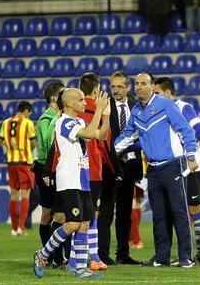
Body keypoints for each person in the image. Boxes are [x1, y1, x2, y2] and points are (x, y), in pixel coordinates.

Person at [114, 73, 199, 268]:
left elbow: (184, 129)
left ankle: (186, 256)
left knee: (179, 212)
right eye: (136, 84)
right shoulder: (136, 111)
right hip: (152, 169)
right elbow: (127, 137)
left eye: (143, 83)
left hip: (173, 164)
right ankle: (161, 257)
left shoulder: (165, 104)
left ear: (152, 86)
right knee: (159, 215)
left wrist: (191, 155)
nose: (139, 87)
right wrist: (108, 153)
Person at [33, 89, 111, 279]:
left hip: (82, 178)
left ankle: (78, 268)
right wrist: (99, 110)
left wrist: (106, 117)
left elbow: (100, 135)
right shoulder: (63, 122)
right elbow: (90, 134)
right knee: (72, 224)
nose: (85, 103)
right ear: (69, 104)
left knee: (84, 223)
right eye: (81, 99)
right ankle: (42, 255)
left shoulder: (80, 121)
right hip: (68, 179)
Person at [153, 77, 200, 264]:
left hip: (190, 166)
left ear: (168, 93)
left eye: (158, 93)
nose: (155, 97)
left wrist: (191, 155)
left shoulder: (182, 106)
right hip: (172, 166)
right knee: (174, 211)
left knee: (193, 208)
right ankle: (178, 254)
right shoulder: (158, 112)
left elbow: (199, 129)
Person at [99, 71, 143, 265]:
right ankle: (102, 253)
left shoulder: (136, 106)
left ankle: (123, 254)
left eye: (119, 87)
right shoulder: (106, 106)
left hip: (131, 165)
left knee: (125, 213)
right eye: (112, 86)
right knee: (107, 212)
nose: (115, 90)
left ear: (127, 87)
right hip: (110, 166)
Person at [77, 73, 109, 272]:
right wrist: (105, 114)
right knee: (92, 215)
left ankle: (72, 259)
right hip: (93, 168)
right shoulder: (96, 109)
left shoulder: (72, 111)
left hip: (74, 169)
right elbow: (103, 139)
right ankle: (94, 257)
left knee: (76, 217)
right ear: (96, 90)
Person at [33, 82, 64, 256]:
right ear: (53, 98)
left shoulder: (60, 117)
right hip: (46, 168)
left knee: (59, 213)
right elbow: (49, 142)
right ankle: (50, 253)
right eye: (62, 93)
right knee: (48, 213)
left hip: (57, 168)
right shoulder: (46, 119)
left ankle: (55, 254)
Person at [0, 101, 36, 236]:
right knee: (25, 195)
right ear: (26, 111)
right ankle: (21, 227)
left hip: (11, 163)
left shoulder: (5, 122)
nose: (29, 115)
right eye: (29, 113)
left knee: (14, 195)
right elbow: (32, 144)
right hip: (24, 162)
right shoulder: (28, 123)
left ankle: (13, 229)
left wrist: (10, 144)